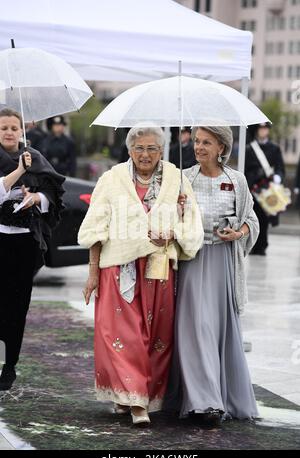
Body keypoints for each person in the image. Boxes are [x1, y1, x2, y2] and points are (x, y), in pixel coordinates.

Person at [78, 126, 203, 425]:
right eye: (139, 148)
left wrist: (174, 232)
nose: (145, 154)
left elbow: (192, 224)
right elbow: (95, 229)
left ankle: (134, 395)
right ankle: (136, 404)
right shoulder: (111, 179)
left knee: (157, 337)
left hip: (158, 268)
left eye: (151, 148)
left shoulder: (177, 179)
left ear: (161, 151)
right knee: (123, 337)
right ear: (130, 150)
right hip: (118, 268)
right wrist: (92, 273)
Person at [166, 126, 259, 425]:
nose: (199, 147)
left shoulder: (237, 180)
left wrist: (238, 232)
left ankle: (220, 398)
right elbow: (166, 218)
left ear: (222, 147)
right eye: (196, 141)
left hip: (224, 264)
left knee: (218, 328)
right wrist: (177, 211)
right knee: (196, 328)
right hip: (192, 261)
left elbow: (251, 220)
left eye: (206, 142)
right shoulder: (184, 178)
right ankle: (204, 402)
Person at [0, 108, 65, 391]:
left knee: (17, 306)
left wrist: (36, 197)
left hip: (26, 241)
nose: (9, 132)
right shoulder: (22, 163)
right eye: (3, 127)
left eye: (14, 127)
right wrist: (19, 172)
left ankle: (9, 365)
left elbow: (53, 194)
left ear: (21, 130)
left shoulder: (35, 156)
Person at [245, 123, 285, 255]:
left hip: (267, 189)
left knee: (264, 218)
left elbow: (280, 166)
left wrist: (278, 176)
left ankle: (262, 245)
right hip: (253, 189)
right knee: (253, 217)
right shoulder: (250, 149)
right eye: (260, 129)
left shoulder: (274, 148)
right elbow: (246, 169)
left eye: (265, 129)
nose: (263, 131)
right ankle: (254, 244)